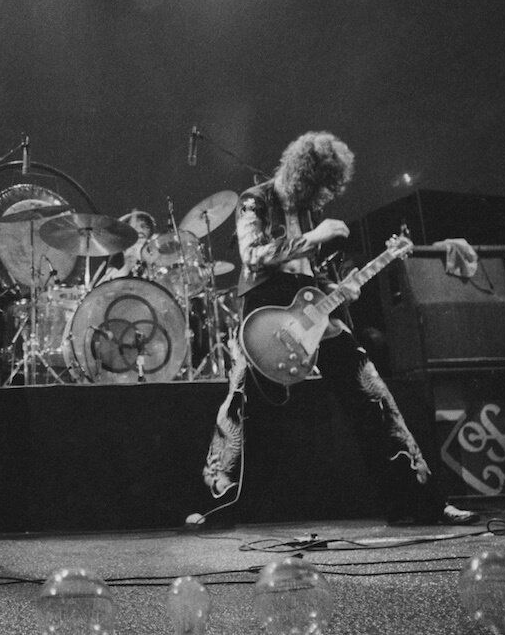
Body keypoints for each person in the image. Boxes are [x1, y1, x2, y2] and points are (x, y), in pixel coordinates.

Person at [196, 131, 478, 526]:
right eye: (321, 188)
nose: (325, 198)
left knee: (373, 394)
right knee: (241, 403)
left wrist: (339, 288)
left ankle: (420, 502)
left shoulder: (307, 211)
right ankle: (221, 505)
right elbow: (253, 257)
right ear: (302, 177)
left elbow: (307, 274)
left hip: (310, 307)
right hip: (265, 311)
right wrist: (315, 236)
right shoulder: (254, 200)